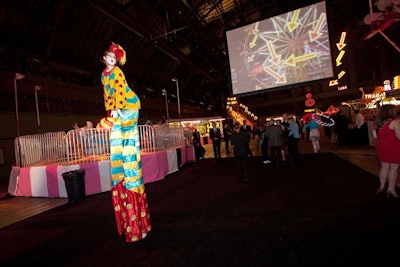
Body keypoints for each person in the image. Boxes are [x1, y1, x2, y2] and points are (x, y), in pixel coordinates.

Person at [101, 42, 151, 242]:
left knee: (128, 147)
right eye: (110, 59)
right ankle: (134, 226)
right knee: (118, 147)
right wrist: (109, 111)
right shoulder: (104, 75)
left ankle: (139, 227)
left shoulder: (118, 73)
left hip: (129, 106)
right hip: (119, 111)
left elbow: (120, 92)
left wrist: (117, 111)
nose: (112, 62)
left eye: (115, 60)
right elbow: (107, 94)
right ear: (104, 59)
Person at [374, 104, 400, 198]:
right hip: (393, 148)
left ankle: (381, 186)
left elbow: (375, 136)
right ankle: (391, 189)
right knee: (394, 169)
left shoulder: (377, 123)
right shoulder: (394, 123)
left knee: (384, 167)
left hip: (381, 148)